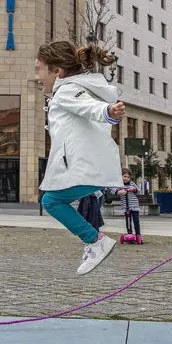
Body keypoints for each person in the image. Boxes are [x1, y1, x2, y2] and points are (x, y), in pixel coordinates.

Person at [35, 40, 126, 275]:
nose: (37, 77)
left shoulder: (66, 90)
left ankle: (96, 242)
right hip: (90, 165)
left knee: (51, 201)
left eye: (39, 70)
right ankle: (94, 241)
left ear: (57, 71)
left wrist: (107, 112)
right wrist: (109, 114)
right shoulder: (69, 89)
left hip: (84, 166)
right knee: (53, 200)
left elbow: (88, 107)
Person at [117, 167, 142, 244]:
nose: (126, 178)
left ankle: (138, 235)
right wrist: (119, 192)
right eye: (124, 176)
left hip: (134, 206)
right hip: (126, 207)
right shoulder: (120, 185)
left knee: (136, 221)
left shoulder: (132, 184)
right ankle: (129, 234)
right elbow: (114, 190)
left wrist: (134, 189)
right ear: (121, 176)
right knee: (128, 221)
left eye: (128, 177)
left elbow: (139, 191)